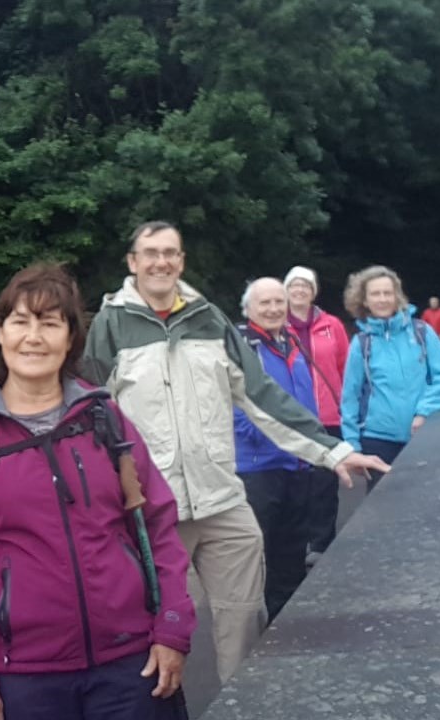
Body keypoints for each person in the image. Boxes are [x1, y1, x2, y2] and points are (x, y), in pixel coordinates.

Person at [82, 221, 388, 683]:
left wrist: (333, 450)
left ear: (181, 261)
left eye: (171, 252)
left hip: (223, 500)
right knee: (160, 633)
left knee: (246, 623)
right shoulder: (111, 326)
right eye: (151, 253)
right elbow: (90, 417)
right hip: (155, 511)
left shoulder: (208, 319)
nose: (161, 262)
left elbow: (261, 395)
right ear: (133, 262)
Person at [0, 264, 196, 720]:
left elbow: (157, 528)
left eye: (50, 323)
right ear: (1, 332)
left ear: (71, 337)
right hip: (24, 678)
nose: (34, 336)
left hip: (130, 667)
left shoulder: (105, 420)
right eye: (21, 321)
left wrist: (172, 628)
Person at [233, 278, 319, 620]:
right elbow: (231, 401)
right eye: (264, 303)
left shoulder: (291, 341)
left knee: (292, 549)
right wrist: (268, 435)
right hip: (259, 466)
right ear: (248, 309)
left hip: (297, 463)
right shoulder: (241, 345)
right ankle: (258, 632)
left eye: (278, 302)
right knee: (261, 554)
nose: (272, 309)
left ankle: (289, 625)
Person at [340, 266, 440, 491]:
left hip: (424, 435)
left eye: (388, 293)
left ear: (398, 296)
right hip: (378, 440)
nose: (383, 299)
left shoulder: (421, 332)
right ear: (364, 301)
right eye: (375, 294)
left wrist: (425, 411)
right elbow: (350, 397)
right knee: (382, 510)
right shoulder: (362, 343)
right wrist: (352, 446)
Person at [283, 266, 351, 568]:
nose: (299, 290)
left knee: (325, 481)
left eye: (305, 286)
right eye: (294, 285)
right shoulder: (275, 324)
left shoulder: (331, 324)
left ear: (314, 291)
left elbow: (345, 367)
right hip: (290, 416)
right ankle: (297, 540)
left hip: (328, 414)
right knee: (297, 480)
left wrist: (346, 408)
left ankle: (322, 542)